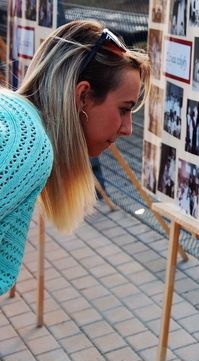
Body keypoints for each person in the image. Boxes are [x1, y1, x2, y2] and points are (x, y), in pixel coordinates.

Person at [0, 21, 150, 296]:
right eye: (124, 109)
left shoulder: (14, 117)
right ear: (83, 96)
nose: (128, 129)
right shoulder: (29, 146)